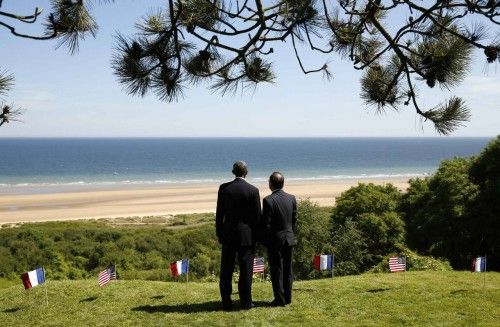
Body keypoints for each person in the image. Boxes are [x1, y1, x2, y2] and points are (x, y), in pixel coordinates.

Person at [216, 160, 261, 311]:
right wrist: (256, 237)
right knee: (246, 270)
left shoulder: (224, 189)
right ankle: (246, 302)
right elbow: (257, 218)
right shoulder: (253, 191)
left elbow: (219, 215)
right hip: (246, 236)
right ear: (246, 172)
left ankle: (226, 302)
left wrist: (219, 233)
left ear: (233, 172)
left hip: (228, 235)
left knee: (226, 270)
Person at [261, 171, 297, 306]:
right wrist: (290, 233)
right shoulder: (291, 198)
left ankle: (279, 299)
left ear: (270, 184)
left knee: (277, 270)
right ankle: (288, 298)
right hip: (289, 237)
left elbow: (266, 224)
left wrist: (264, 240)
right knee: (288, 270)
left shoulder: (268, 200)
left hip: (275, 240)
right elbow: (294, 219)